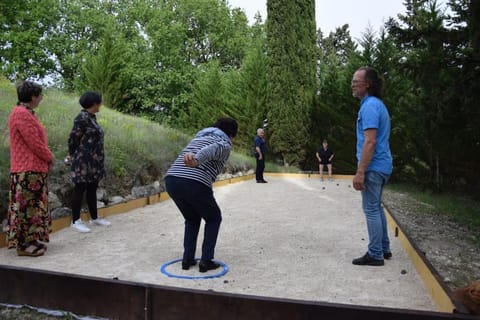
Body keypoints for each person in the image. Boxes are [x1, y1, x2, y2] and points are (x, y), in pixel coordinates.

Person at [164, 118, 238, 272]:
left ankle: (187, 259)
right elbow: (213, 149)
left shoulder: (199, 137)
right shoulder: (223, 142)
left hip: (172, 180)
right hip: (194, 181)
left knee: (192, 218)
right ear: (231, 134)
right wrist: (197, 160)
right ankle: (206, 261)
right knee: (213, 217)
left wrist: (195, 159)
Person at [351, 66, 393, 266]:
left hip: (373, 167)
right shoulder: (378, 105)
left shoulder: (369, 107)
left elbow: (370, 141)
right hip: (383, 166)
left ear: (367, 84)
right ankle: (383, 248)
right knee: (376, 207)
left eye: (355, 81)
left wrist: (360, 172)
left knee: (371, 209)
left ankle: (375, 253)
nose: (352, 85)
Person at [7, 81, 55, 256]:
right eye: (40, 95)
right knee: (26, 208)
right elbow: (34, 142)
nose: (41, 98)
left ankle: (31, 239)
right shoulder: (21, 114)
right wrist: (50, 156)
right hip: (26, 170)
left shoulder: (26, 113)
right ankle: (23, 245)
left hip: (32, 169)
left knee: (33, 207)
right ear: (33, 97)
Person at [67, 91, 110, 233]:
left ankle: (94, 217)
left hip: (94, 161)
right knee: (80, 189)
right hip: (83, 161)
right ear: (94, 103)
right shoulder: (82, 118)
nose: (101, 104)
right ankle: (75, 220)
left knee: (92, 187)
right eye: (99, 102)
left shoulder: (92, 117)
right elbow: (73, 139)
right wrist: (73, 155)